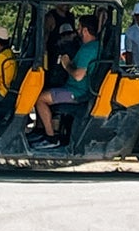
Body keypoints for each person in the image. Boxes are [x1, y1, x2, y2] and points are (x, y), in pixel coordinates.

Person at [33, 14, 100, 148]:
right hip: (79, 88)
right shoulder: (96, 46)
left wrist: (66, 64)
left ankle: (51, 138)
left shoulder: (87, 50)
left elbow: (78, 76)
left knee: (40, 99)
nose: (77, 31)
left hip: (77, 92)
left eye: (79, 28)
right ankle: (42, 131)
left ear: (85, 30)